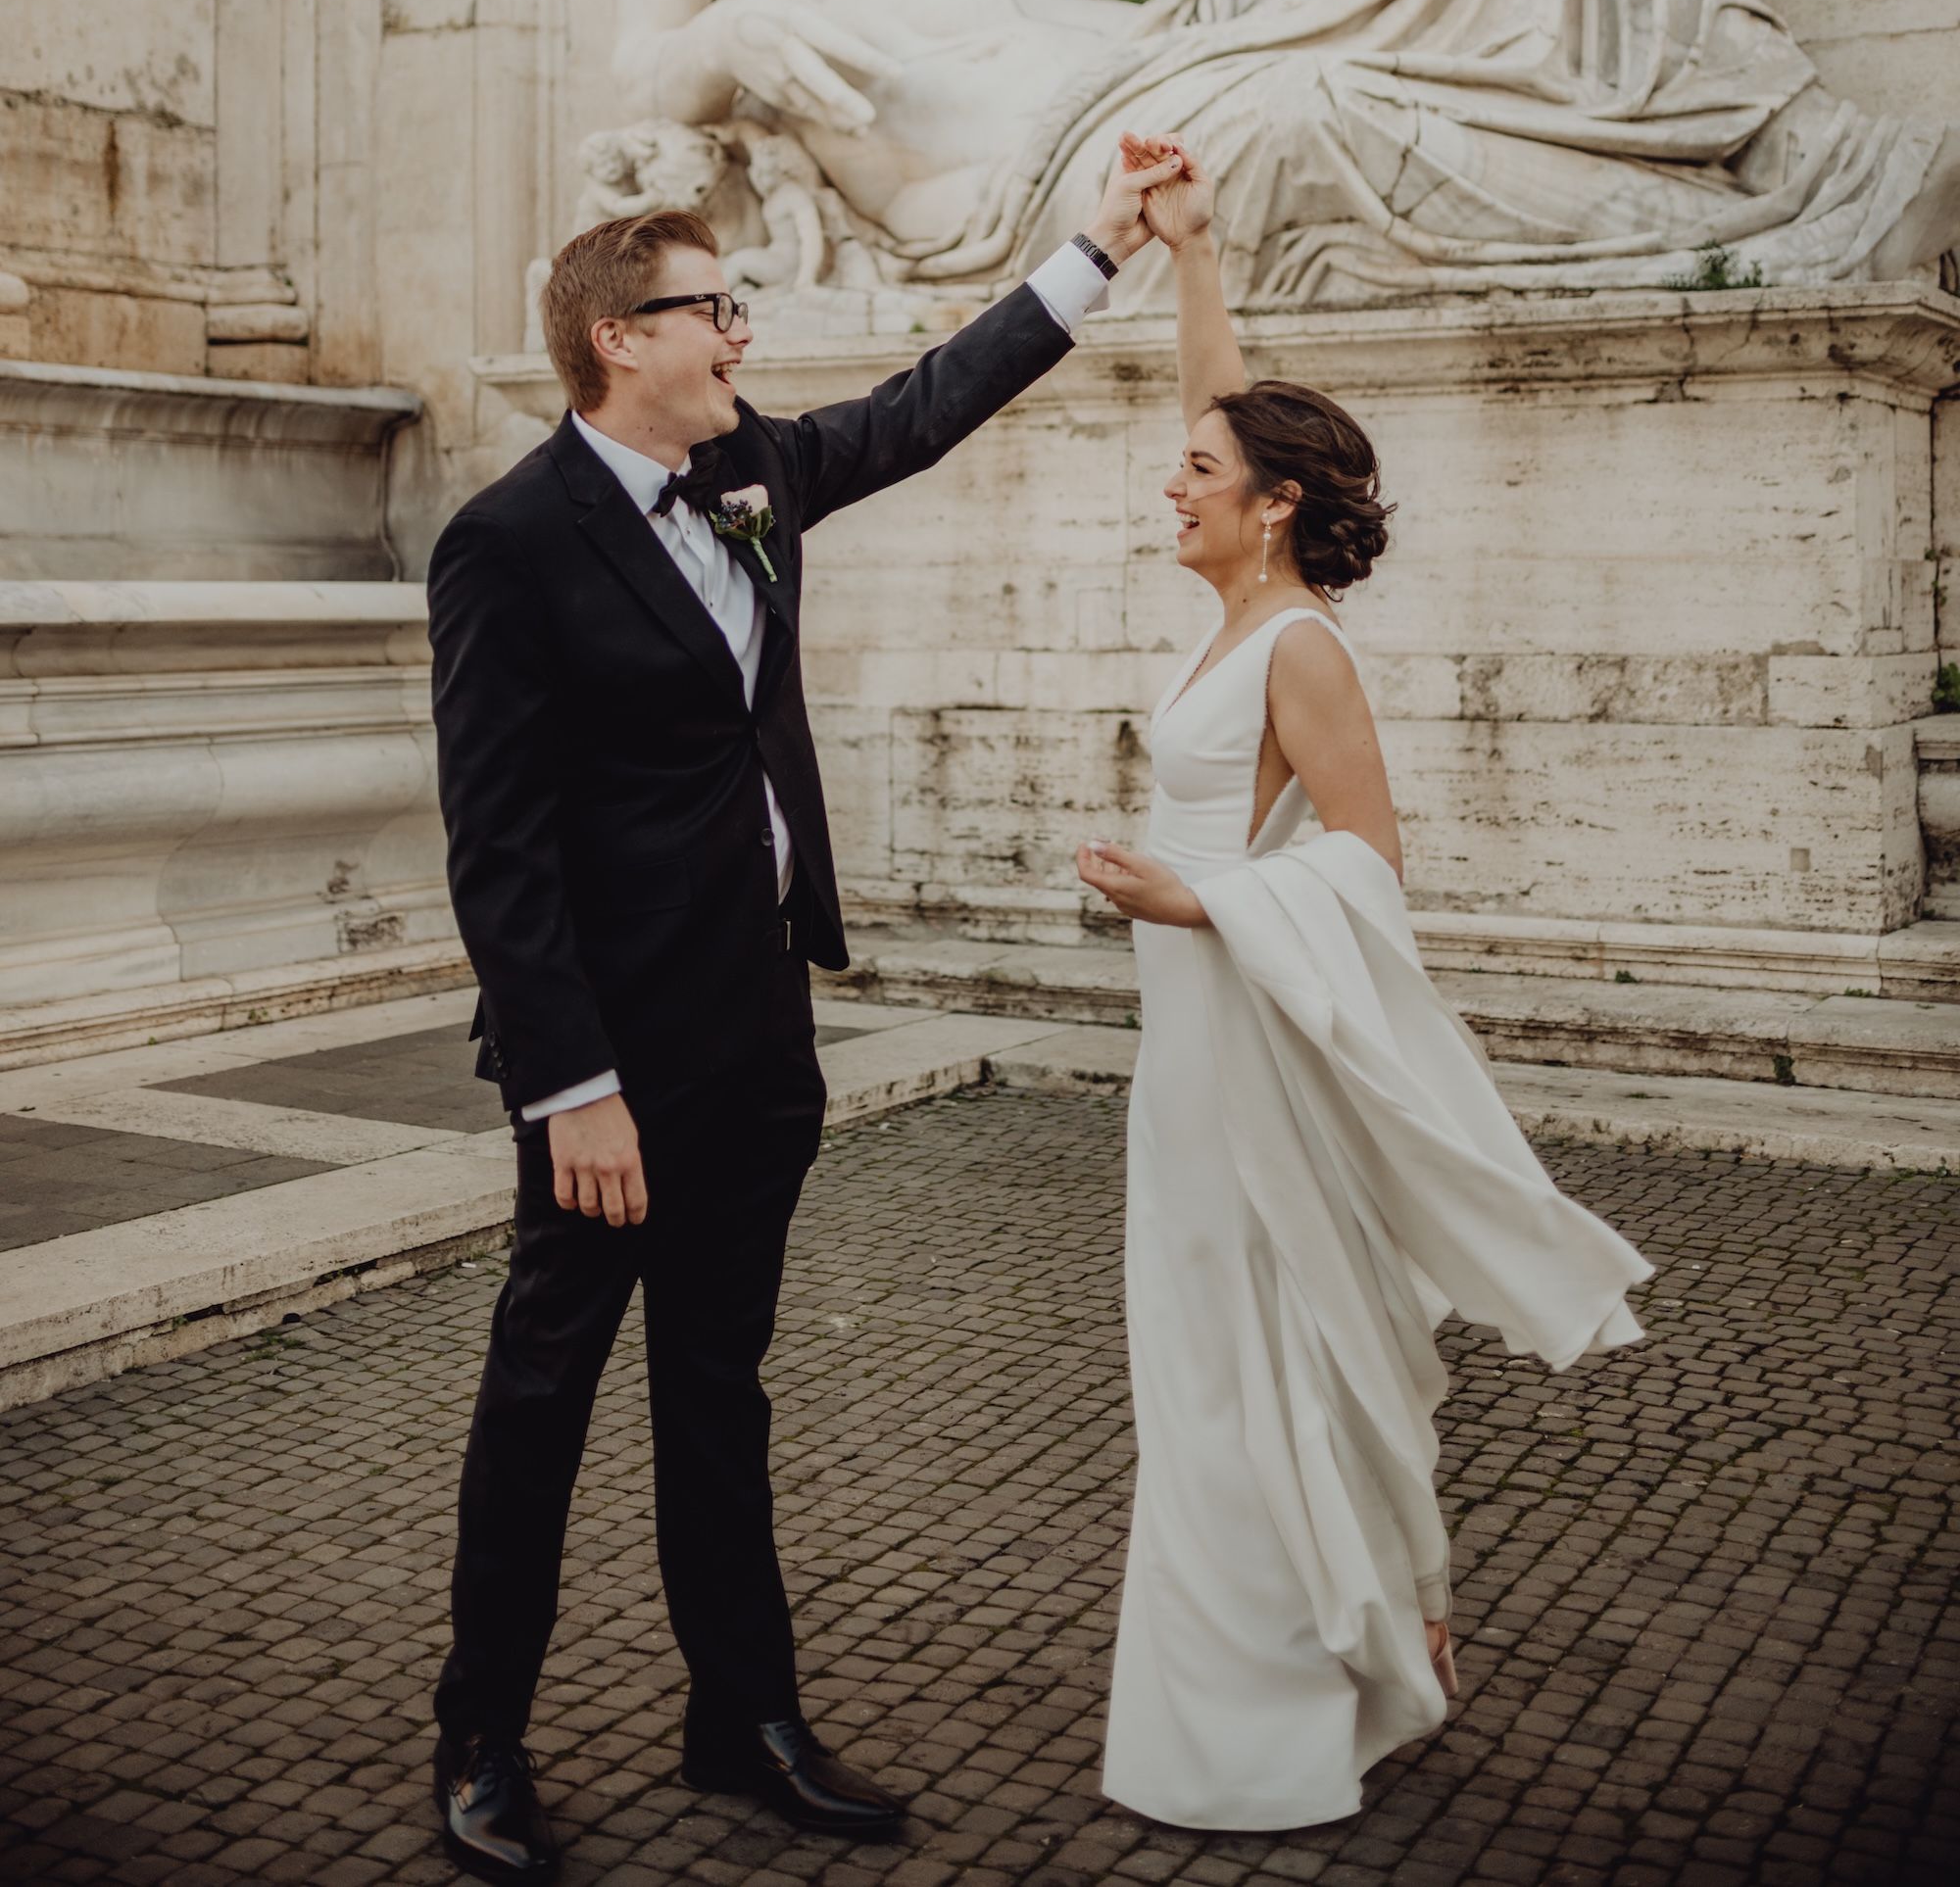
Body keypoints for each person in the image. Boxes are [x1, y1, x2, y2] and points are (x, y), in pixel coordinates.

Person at [425, 145, 1177, 1882]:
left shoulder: (752, 469)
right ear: (618, 338)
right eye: (713, 305)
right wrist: (571, 1086)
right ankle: (480, 1736)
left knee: (721, 1385)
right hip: (608, 1071)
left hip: (761, 1035)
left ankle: (743, 1716)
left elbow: (924, 407)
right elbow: (500, 847)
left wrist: (1100, 249)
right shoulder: (509, 542)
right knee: (541, 1399)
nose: (740, 329)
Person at [1077, 137, 1653, 1833]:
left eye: (1196, 473)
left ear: (1270, 510)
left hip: (1242, 1031)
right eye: (1178, 464)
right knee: (1191, 1348)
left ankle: (1271, 1711)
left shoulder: (1300, 644)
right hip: (1183, 1049)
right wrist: (1189, 250)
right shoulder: (1238, 599)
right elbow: (1228, 409)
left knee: (1250, 1343)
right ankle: (1254, 1684)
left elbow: (1371, 856)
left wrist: (1200, 895)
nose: (1166, 484)